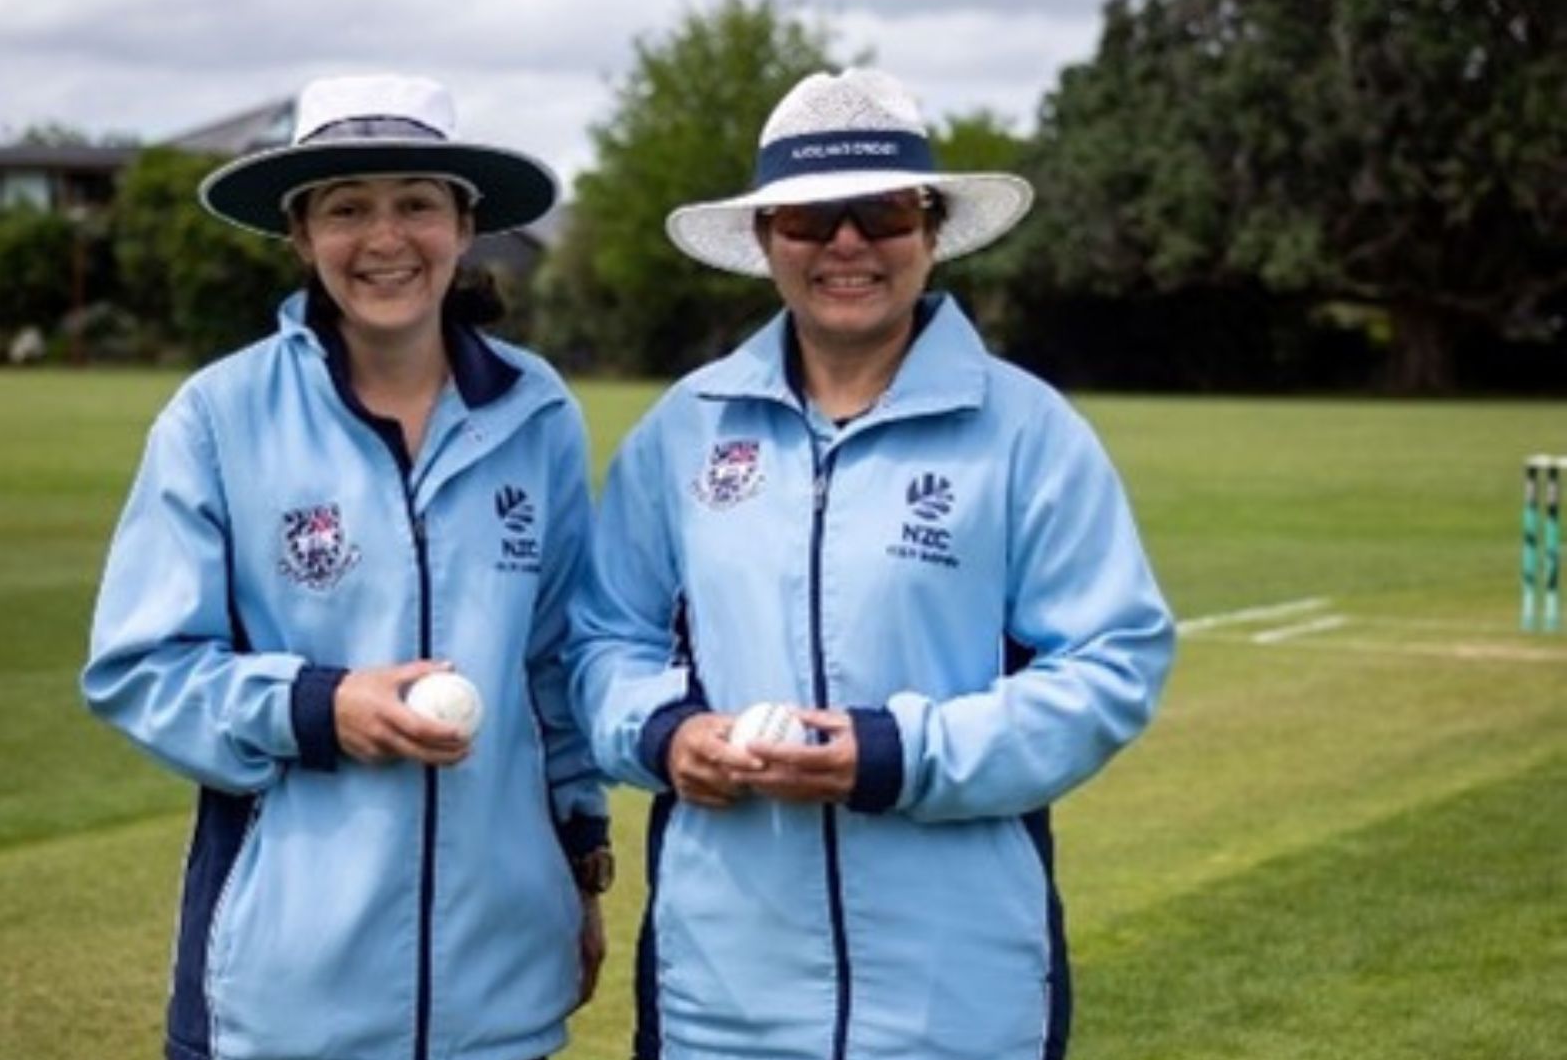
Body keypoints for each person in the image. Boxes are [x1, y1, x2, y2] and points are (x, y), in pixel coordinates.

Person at [570, 68, 1175, 1059]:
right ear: (767, 241)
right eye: (810, 218)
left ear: (929, 230)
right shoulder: (685, 431)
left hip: (960, 994)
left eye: (882, 210)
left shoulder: (1026, 431)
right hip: (721, 998)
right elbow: (602, 639)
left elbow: (1113, 665)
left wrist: (898, 753)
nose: (847, 242)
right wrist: (667, 734)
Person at [82, 73, 612, 1060]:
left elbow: (555, 672)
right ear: (299, 235)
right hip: (286, 1005)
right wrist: (319, 708)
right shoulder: (219, 416)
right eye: (347, 208)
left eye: (417, 202)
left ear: (463, 224)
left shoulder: (537, 414)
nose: (384, 239)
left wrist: (582, 864)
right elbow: (140, 667)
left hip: (499, 998)